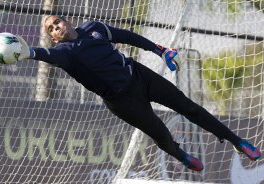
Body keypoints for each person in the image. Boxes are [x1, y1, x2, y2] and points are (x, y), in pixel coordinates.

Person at [15, 15, 261, 172]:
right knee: (163, 137)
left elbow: (128, 36)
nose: (56, 27)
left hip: (140, 76)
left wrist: (160, 50)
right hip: (122, 101)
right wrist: (27, 53)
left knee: (189, 107)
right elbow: (45, 55)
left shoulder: (94, 27)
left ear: (67, 21)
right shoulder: (64, 53)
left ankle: (237, 141)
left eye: (57, 22)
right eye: (51, 29)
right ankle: (182, 156)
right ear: (54, 38)